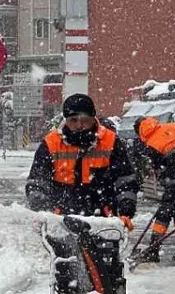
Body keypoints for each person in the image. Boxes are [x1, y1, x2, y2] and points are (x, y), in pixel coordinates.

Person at [26, 93, 138, 224]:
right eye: (73, 120)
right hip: (60, 220)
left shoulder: (111, 141)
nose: (79, 125)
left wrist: (126, 206)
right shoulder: (51, 144)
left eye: (85, 120)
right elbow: (37, 181)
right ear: (66, 120)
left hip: (103, 220)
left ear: (93, 117)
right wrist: (41, 206)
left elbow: (125, 179)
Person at [133, 117, 175, 262]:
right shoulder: (172, 126)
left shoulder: (151, 144)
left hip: (173, 182)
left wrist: (163, 177)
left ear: (140, 132)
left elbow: (158, 168)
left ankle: (153, 251)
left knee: (162, 216)